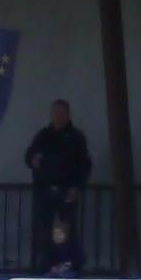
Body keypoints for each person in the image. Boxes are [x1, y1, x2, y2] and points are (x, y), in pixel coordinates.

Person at [24, 100, 91, 268]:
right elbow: (28, 157)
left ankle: (69, 264)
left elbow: (84, 165)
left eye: (62, 113)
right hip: (45, 190)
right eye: (56, 113)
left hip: (67, 191)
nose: (58, 117)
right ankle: (45, 264)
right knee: (43, 228)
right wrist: (34, 160)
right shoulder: (43, 135)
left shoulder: (76, 137)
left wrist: (77, 187)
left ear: (68, 115)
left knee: (66, 228)